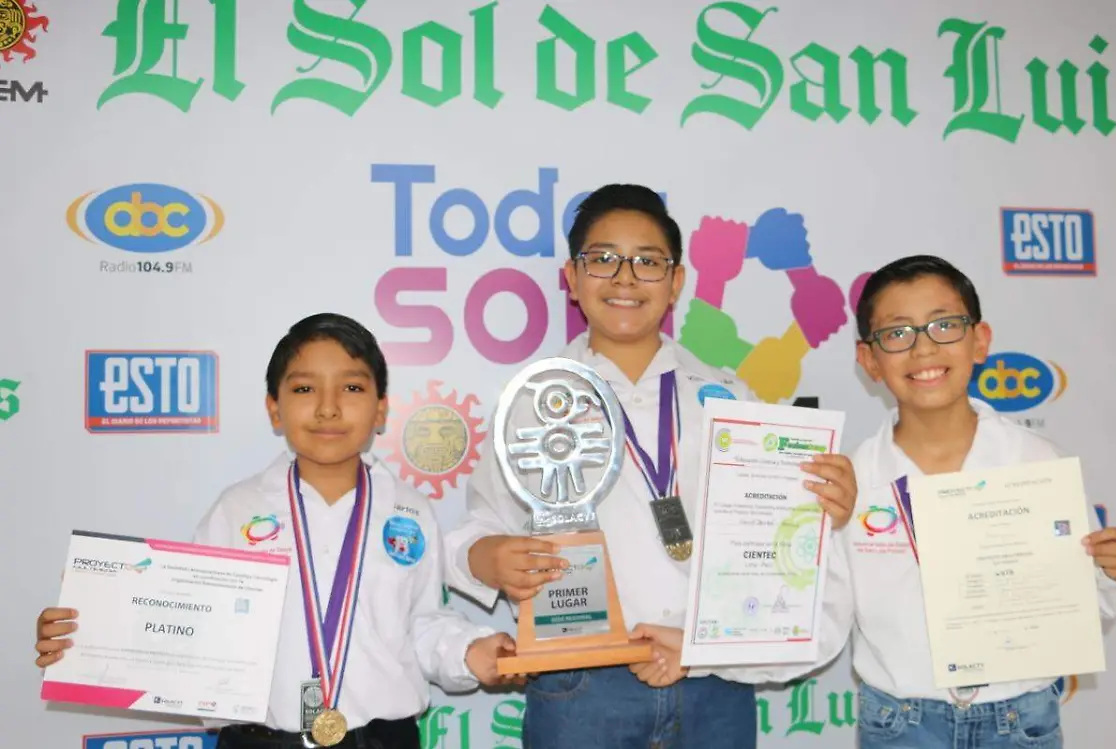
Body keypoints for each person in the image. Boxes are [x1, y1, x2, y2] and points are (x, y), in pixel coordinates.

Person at [443, 184, 859, 749]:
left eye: (647, 261)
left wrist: (825, 508)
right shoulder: (535, 400)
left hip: (713, 683)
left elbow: (776, 546)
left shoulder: (731, 400)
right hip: (579, 688)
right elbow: (483, 522)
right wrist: (488, 558)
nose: (625, 278)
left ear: (676, 281)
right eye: (603, 259)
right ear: (571, 278)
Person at [35, 313, 517, 749]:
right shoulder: (236, 510)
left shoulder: (409, 512)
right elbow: (184, 623)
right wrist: (88, 635)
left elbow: (422, 624)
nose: (328, 408)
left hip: (382, 739)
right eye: (304, 389)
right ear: (274, 408)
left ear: (380, 409)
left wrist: (467, 653)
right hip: (260, 740)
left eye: (351, 388)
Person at [846, 255, 1116, 749]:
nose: (924, 348)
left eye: (945, 325)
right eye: (897, 333)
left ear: (980, 341)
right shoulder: (852, 481)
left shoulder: (1037, 462)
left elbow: (1070, 607)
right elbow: (827, 609)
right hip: (900, 724)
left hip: (1021, 721)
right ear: (869, 360)